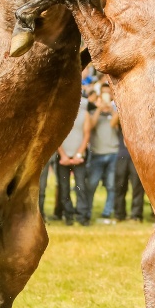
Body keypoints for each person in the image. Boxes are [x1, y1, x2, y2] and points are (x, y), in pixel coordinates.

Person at [86, 83, 120, 224]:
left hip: (113, 153)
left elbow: (114, 124)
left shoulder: (116, 112)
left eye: (109, 94)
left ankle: (107, 212)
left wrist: (111, 109)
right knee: (92, 184)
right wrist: (100, 108)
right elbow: (91, 126)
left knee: (111, 186)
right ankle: (87, 211)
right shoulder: (94, 113)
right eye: (104, 94)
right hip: (97, 154)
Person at [56, 94, 91, 226]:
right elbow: (56, 136)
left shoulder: (84, 114)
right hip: (63, 157)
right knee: (64, 188)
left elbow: (87, 135)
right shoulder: (60, 115)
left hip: (78, 157)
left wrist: (78, 154)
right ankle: (68, 216)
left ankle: (82, 216)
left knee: (81, 187)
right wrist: (63, 155)